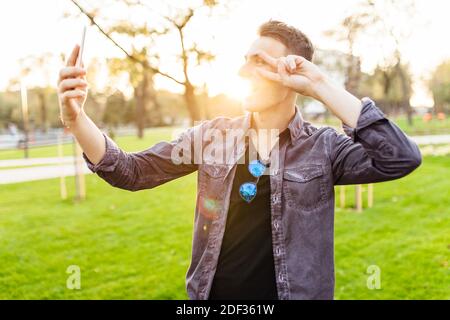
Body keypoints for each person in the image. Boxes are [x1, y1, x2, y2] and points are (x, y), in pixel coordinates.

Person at [57, 20, 421, 300]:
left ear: (293, 73)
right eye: (246, 61)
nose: (245, 71)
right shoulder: (212, 136)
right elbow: (131, 172)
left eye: (260, 62)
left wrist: (319, 85)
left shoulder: (323, 147)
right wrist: (77, 121)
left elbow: (399, 157)